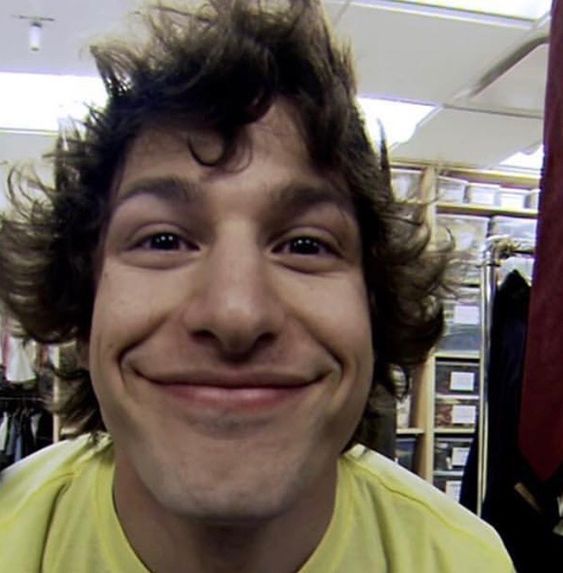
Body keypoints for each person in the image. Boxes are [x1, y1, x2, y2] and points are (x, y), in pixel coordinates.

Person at [0, 1, 514, 571]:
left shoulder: (464, 560)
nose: (235, 312)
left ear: (375, 308)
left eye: (305, 245)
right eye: (164, 241)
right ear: (84, 296)